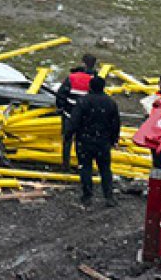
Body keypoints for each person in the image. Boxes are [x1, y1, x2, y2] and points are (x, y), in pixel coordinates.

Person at [71, 75, 121, 208]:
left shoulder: (83, 101)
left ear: (90, 87)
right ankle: (108, 196)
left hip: (85, 140)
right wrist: (114, 139)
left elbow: (74, 121)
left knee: (85, 168)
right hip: (103, 142)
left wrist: (69, 135)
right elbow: (115, 123)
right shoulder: (111, 103)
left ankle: (87, 196)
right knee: (105, 169)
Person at [56, 54, 96, 169]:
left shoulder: (72, 78)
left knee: (67, 140)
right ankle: (82, 165)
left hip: (69, 114)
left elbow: (61, 94)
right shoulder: (94, 80)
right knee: (82, 142)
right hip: (85, 117)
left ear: (83, 63)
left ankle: (65, 165)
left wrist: (61, 107)